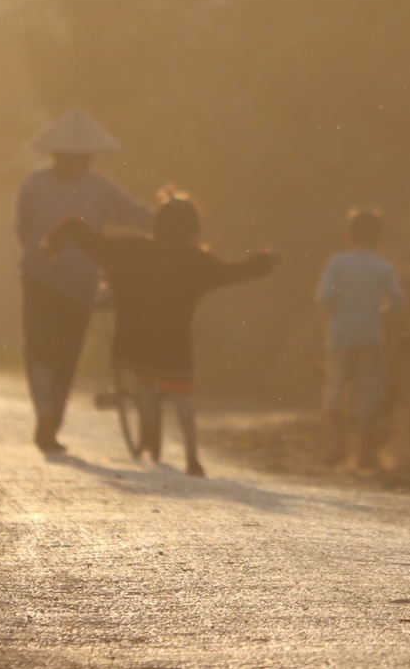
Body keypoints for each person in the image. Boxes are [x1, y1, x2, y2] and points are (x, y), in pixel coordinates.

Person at [43, 189, 279, 477]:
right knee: (182, 393)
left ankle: (149, 416)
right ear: (194, 228)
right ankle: (192, 457)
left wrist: (55, 239)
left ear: (158, 224)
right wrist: (266, 260)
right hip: (173, 345)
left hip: (134, 340)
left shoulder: (129, 250)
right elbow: (235, 270)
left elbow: (84, 236)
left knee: (143, 379)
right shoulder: (198, 263)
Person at [16, 109, 153, 454]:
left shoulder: (33, 183)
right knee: (67, 354)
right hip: (81, 283)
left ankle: (44, 412)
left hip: (38, 275)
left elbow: (22, 230)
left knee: (38, 350)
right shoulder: (100, 187)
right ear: (90, 157)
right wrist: (171, 221)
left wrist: (40, 252)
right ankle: (54, 423)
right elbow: (136, 216)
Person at [315, 208, 405, 467]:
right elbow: (398, 302)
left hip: (340, 333)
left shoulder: (338, 264)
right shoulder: (382, 266)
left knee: (335, 386)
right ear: (378, 238)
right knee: (367, 389)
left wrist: (340, 312)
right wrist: (380, 312)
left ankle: (338, 446)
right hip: (370, 333)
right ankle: (363, 452)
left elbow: (324, 298)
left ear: (348, 235)